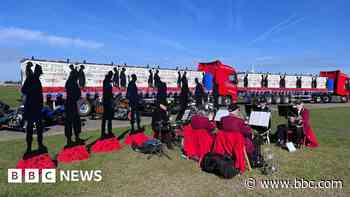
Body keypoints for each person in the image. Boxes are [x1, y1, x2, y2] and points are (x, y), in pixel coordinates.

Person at [21, 64, 46, 154]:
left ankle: (40, 144)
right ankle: (29, 148)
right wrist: (32, 89)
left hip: (37, 108)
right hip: (30, 108)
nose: (40, 74)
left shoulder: (37, 80)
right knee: (30, 129)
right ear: (37, 72)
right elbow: (23, 90)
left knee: (39, 128)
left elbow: (39, 94)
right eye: (39, 72)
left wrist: (41, 104)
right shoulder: (30, 78)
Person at [64, 65, 83, 146]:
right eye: (77, 77)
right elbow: (78, 94)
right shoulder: (73, 83)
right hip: (72, 104)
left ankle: (71, 139)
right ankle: (74, 138)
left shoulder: (69, 82)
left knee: (71, 122)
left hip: (69, 104)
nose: (77, 78)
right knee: (74, 122)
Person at [152, 81, 172, 147]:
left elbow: (162, 104)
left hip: (159, 114)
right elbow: (160, 104)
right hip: (159, 115)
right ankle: (166, 142)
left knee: (163, 128)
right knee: (165, 127)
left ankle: (160, 140)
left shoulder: (160, 94)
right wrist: (166, 108)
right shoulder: (161, 94)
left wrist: (167, 106)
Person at [101, 71, 114, 138]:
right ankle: (104, 132)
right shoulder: (106, 82)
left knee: (108, 118)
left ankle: (109, 131)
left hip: (108, 101)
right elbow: (107, 92)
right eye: (111, 76)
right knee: (106, 118)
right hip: (107, 102)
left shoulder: (107, 81)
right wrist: (111, 96)